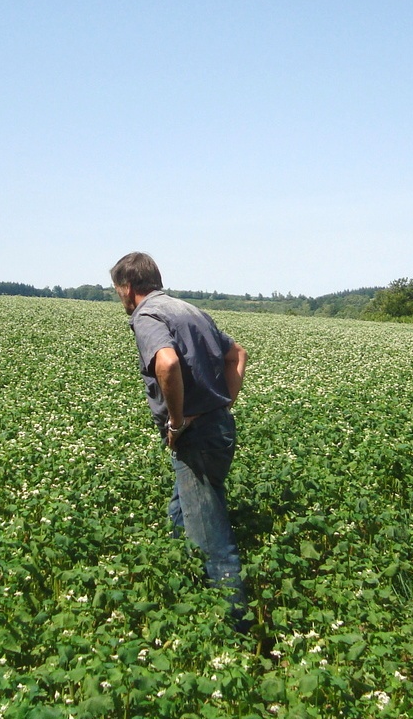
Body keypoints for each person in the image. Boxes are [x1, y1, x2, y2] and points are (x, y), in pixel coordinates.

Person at [110, 252, 249, 627]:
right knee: (180, 510)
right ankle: (179, 583)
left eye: (117, 291)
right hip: (217, 428)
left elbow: (167, 363)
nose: (119, 298)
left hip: (196, 435)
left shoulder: (148, 315)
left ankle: (234, 628)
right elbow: (238, 354)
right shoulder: (189, 310)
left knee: (211, 539)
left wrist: (177, 422)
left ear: (128, 288)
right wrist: (223, 404)